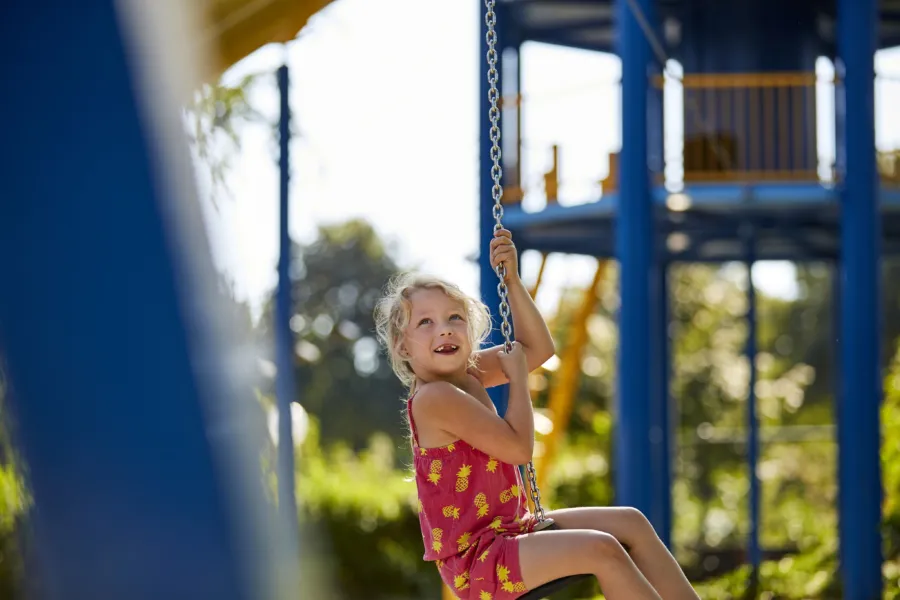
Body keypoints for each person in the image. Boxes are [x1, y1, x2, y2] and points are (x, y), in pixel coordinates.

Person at [374, 228, 700, 600]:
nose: (444, 330)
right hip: (478, 560)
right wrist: (517, 380)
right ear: (402, 345)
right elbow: (517, 449)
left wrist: (511, 280)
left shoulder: (472, 372)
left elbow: (539, 348)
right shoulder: (434, 398)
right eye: (425, 323)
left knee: (631, 523)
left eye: (454, 318)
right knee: (603, 549)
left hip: (512, 529)